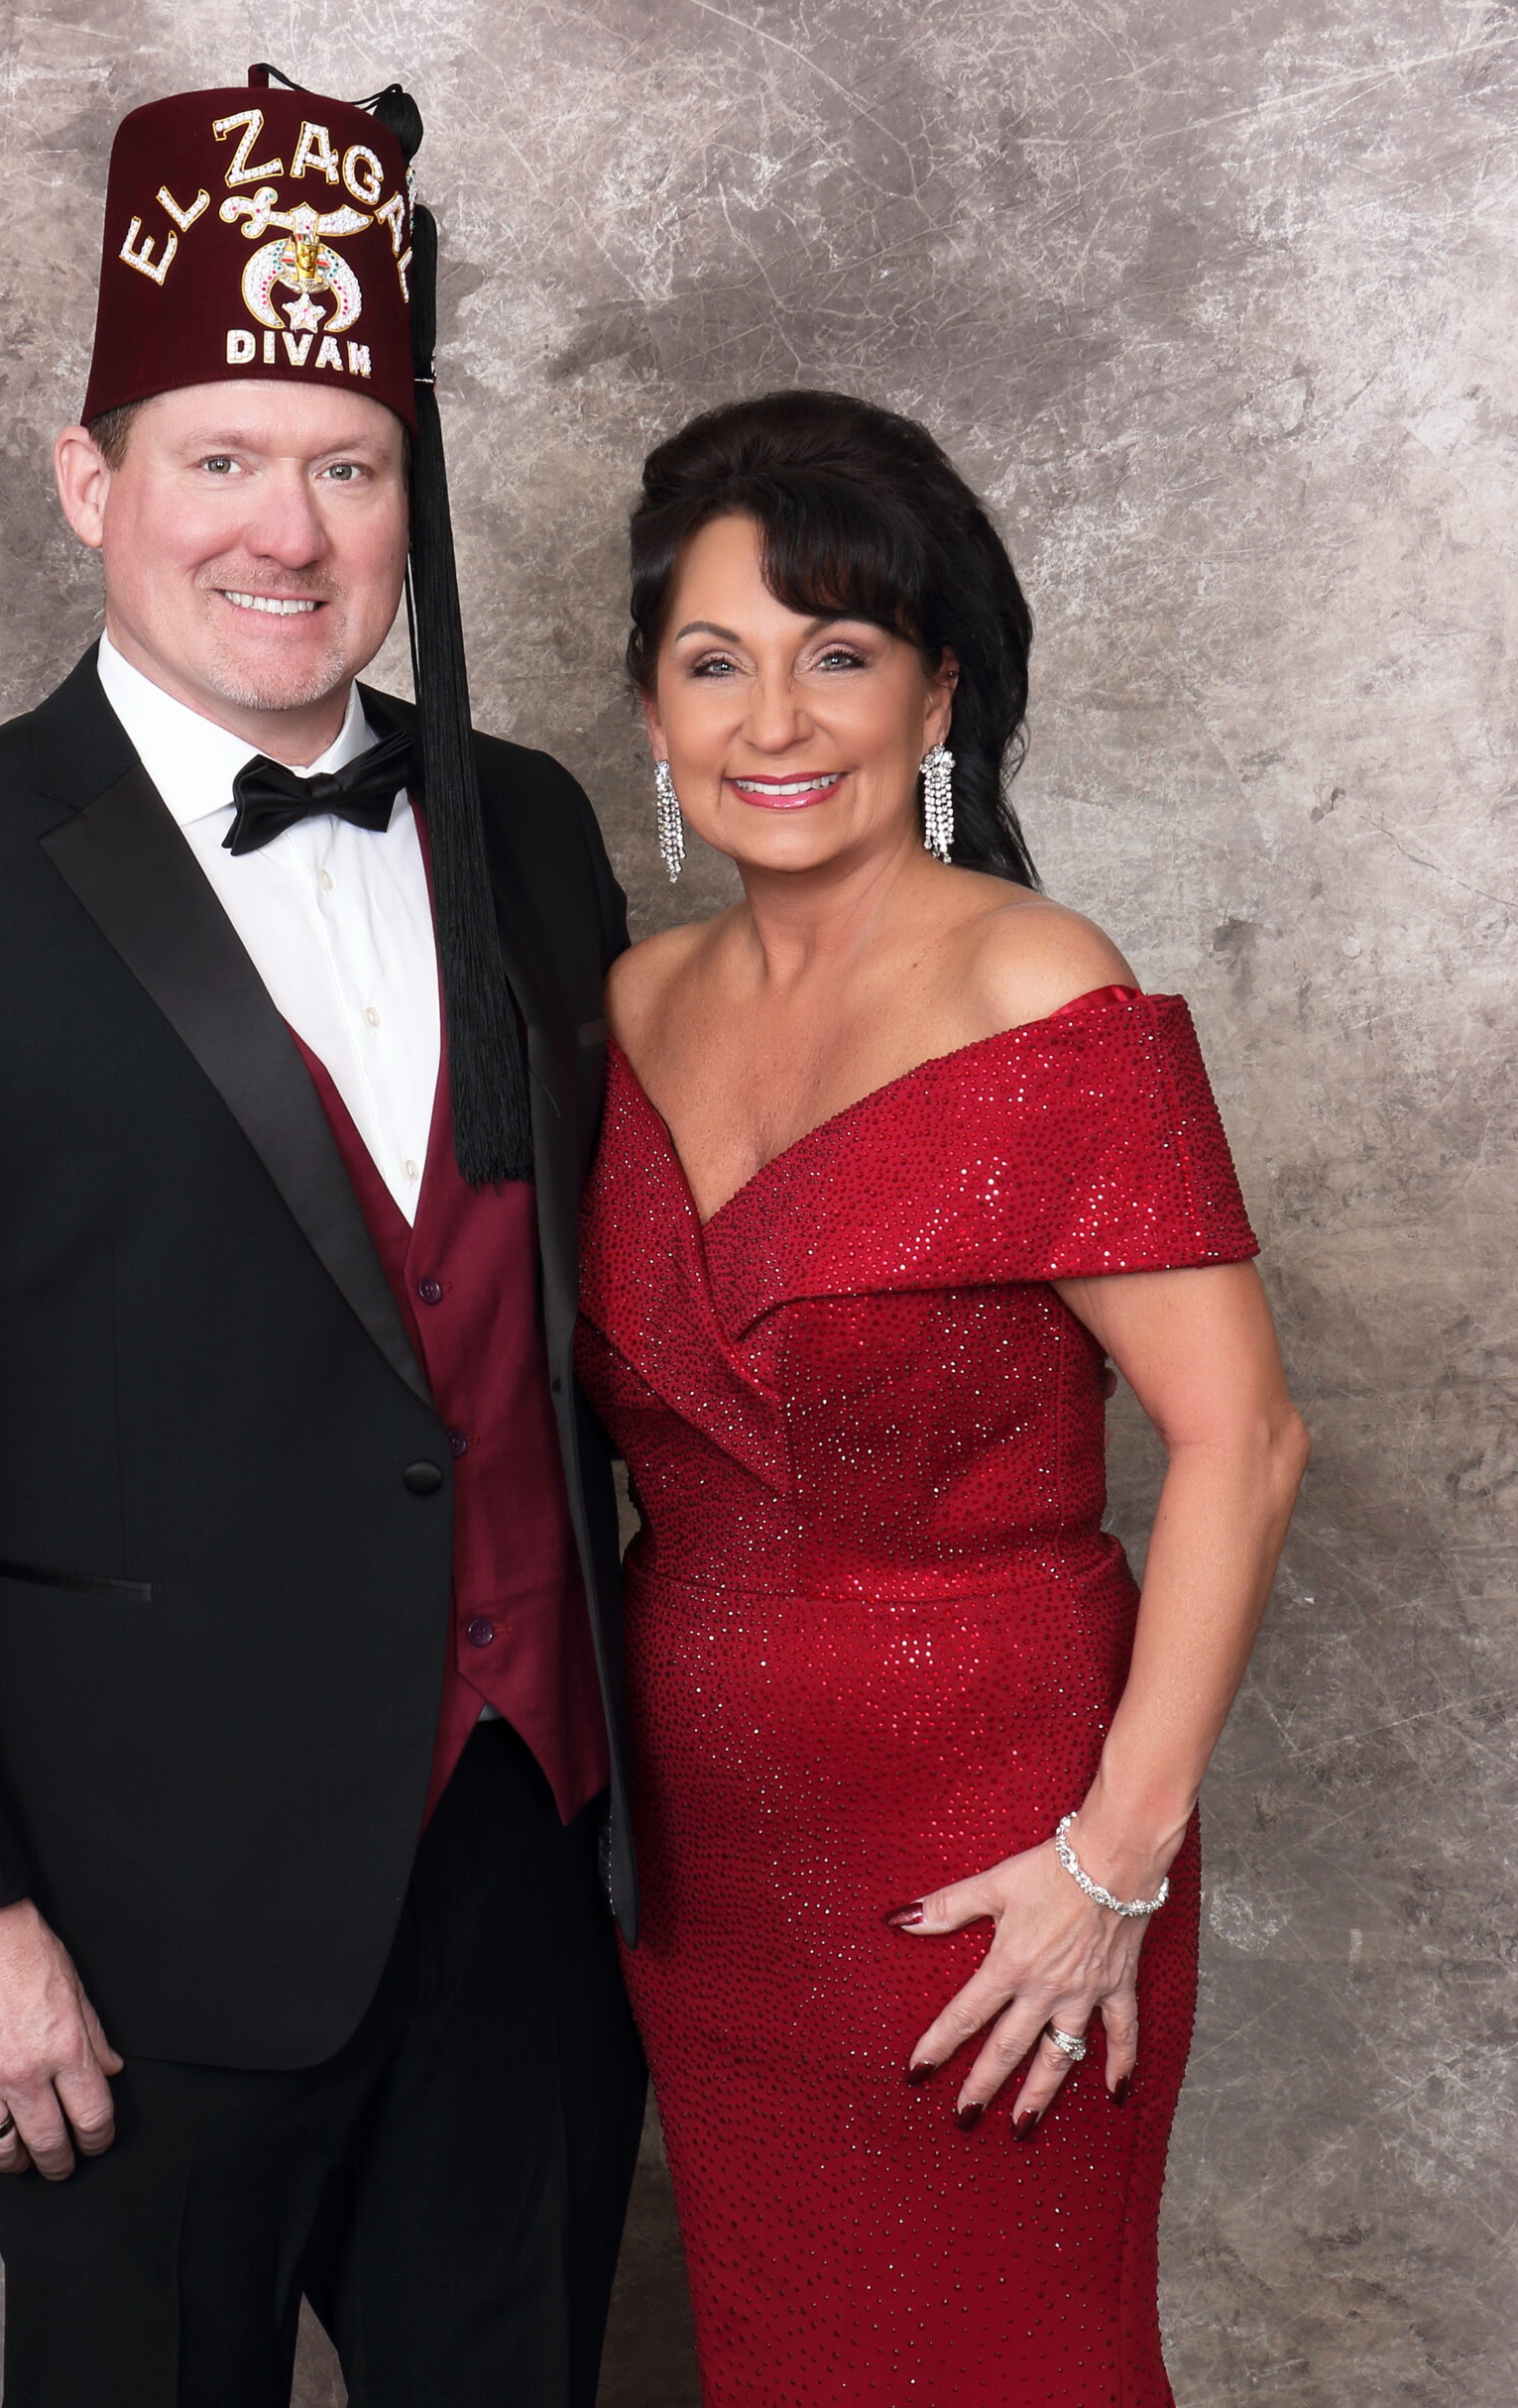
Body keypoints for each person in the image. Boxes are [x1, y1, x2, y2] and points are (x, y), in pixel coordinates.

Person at [0, 67, 645, 2408]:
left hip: (529, 1872)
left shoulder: (526, 826)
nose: (285, 532)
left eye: (350, 466)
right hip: (128, 1922)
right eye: (220, 458)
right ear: (87, 481)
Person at [574, 390, 1309, 2405]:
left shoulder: (1039, 986)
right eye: (712, 663)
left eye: (838, 656)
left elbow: (1244, 1441)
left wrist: (1110, 1864)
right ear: (649, 710)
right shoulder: (627, 1008)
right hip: (705, 1868)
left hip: (1003, 1853)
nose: (772, 720)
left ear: (938, 697)